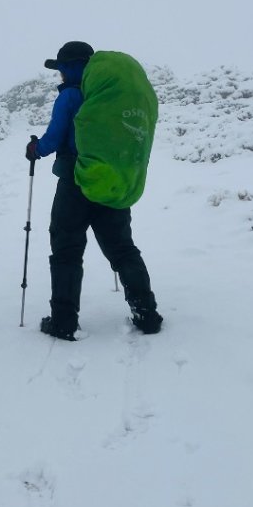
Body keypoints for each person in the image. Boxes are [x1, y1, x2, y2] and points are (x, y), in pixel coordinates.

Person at [25, 41, 163, 340]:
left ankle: (63, 321)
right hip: (110, 180)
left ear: (71, 68)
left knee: (66, 250)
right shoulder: (107, 95)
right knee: (122, 248)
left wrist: (35, 149)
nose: (59, 75)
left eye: (61, 69)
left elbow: (53, 137)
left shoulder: (71, 96)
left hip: (75, 183)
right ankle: (146, 314)